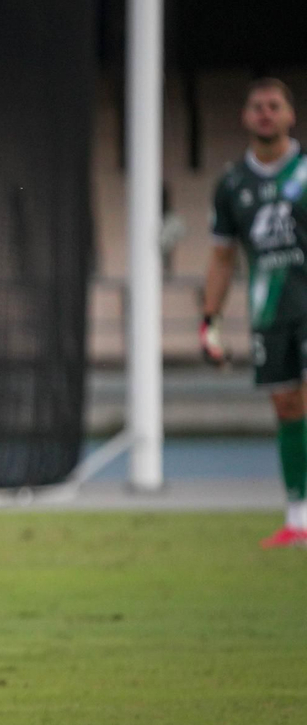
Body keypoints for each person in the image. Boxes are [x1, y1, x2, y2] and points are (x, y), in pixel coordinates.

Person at [203, 77, 307, 548]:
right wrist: (211, 319)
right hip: (270, 313)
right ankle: (297, 518)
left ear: (290, 115)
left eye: (274, 105)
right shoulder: (231, 185)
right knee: (287, 408)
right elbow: (223, 256)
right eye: (257, 106)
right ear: (245, 118)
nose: (265, 113)